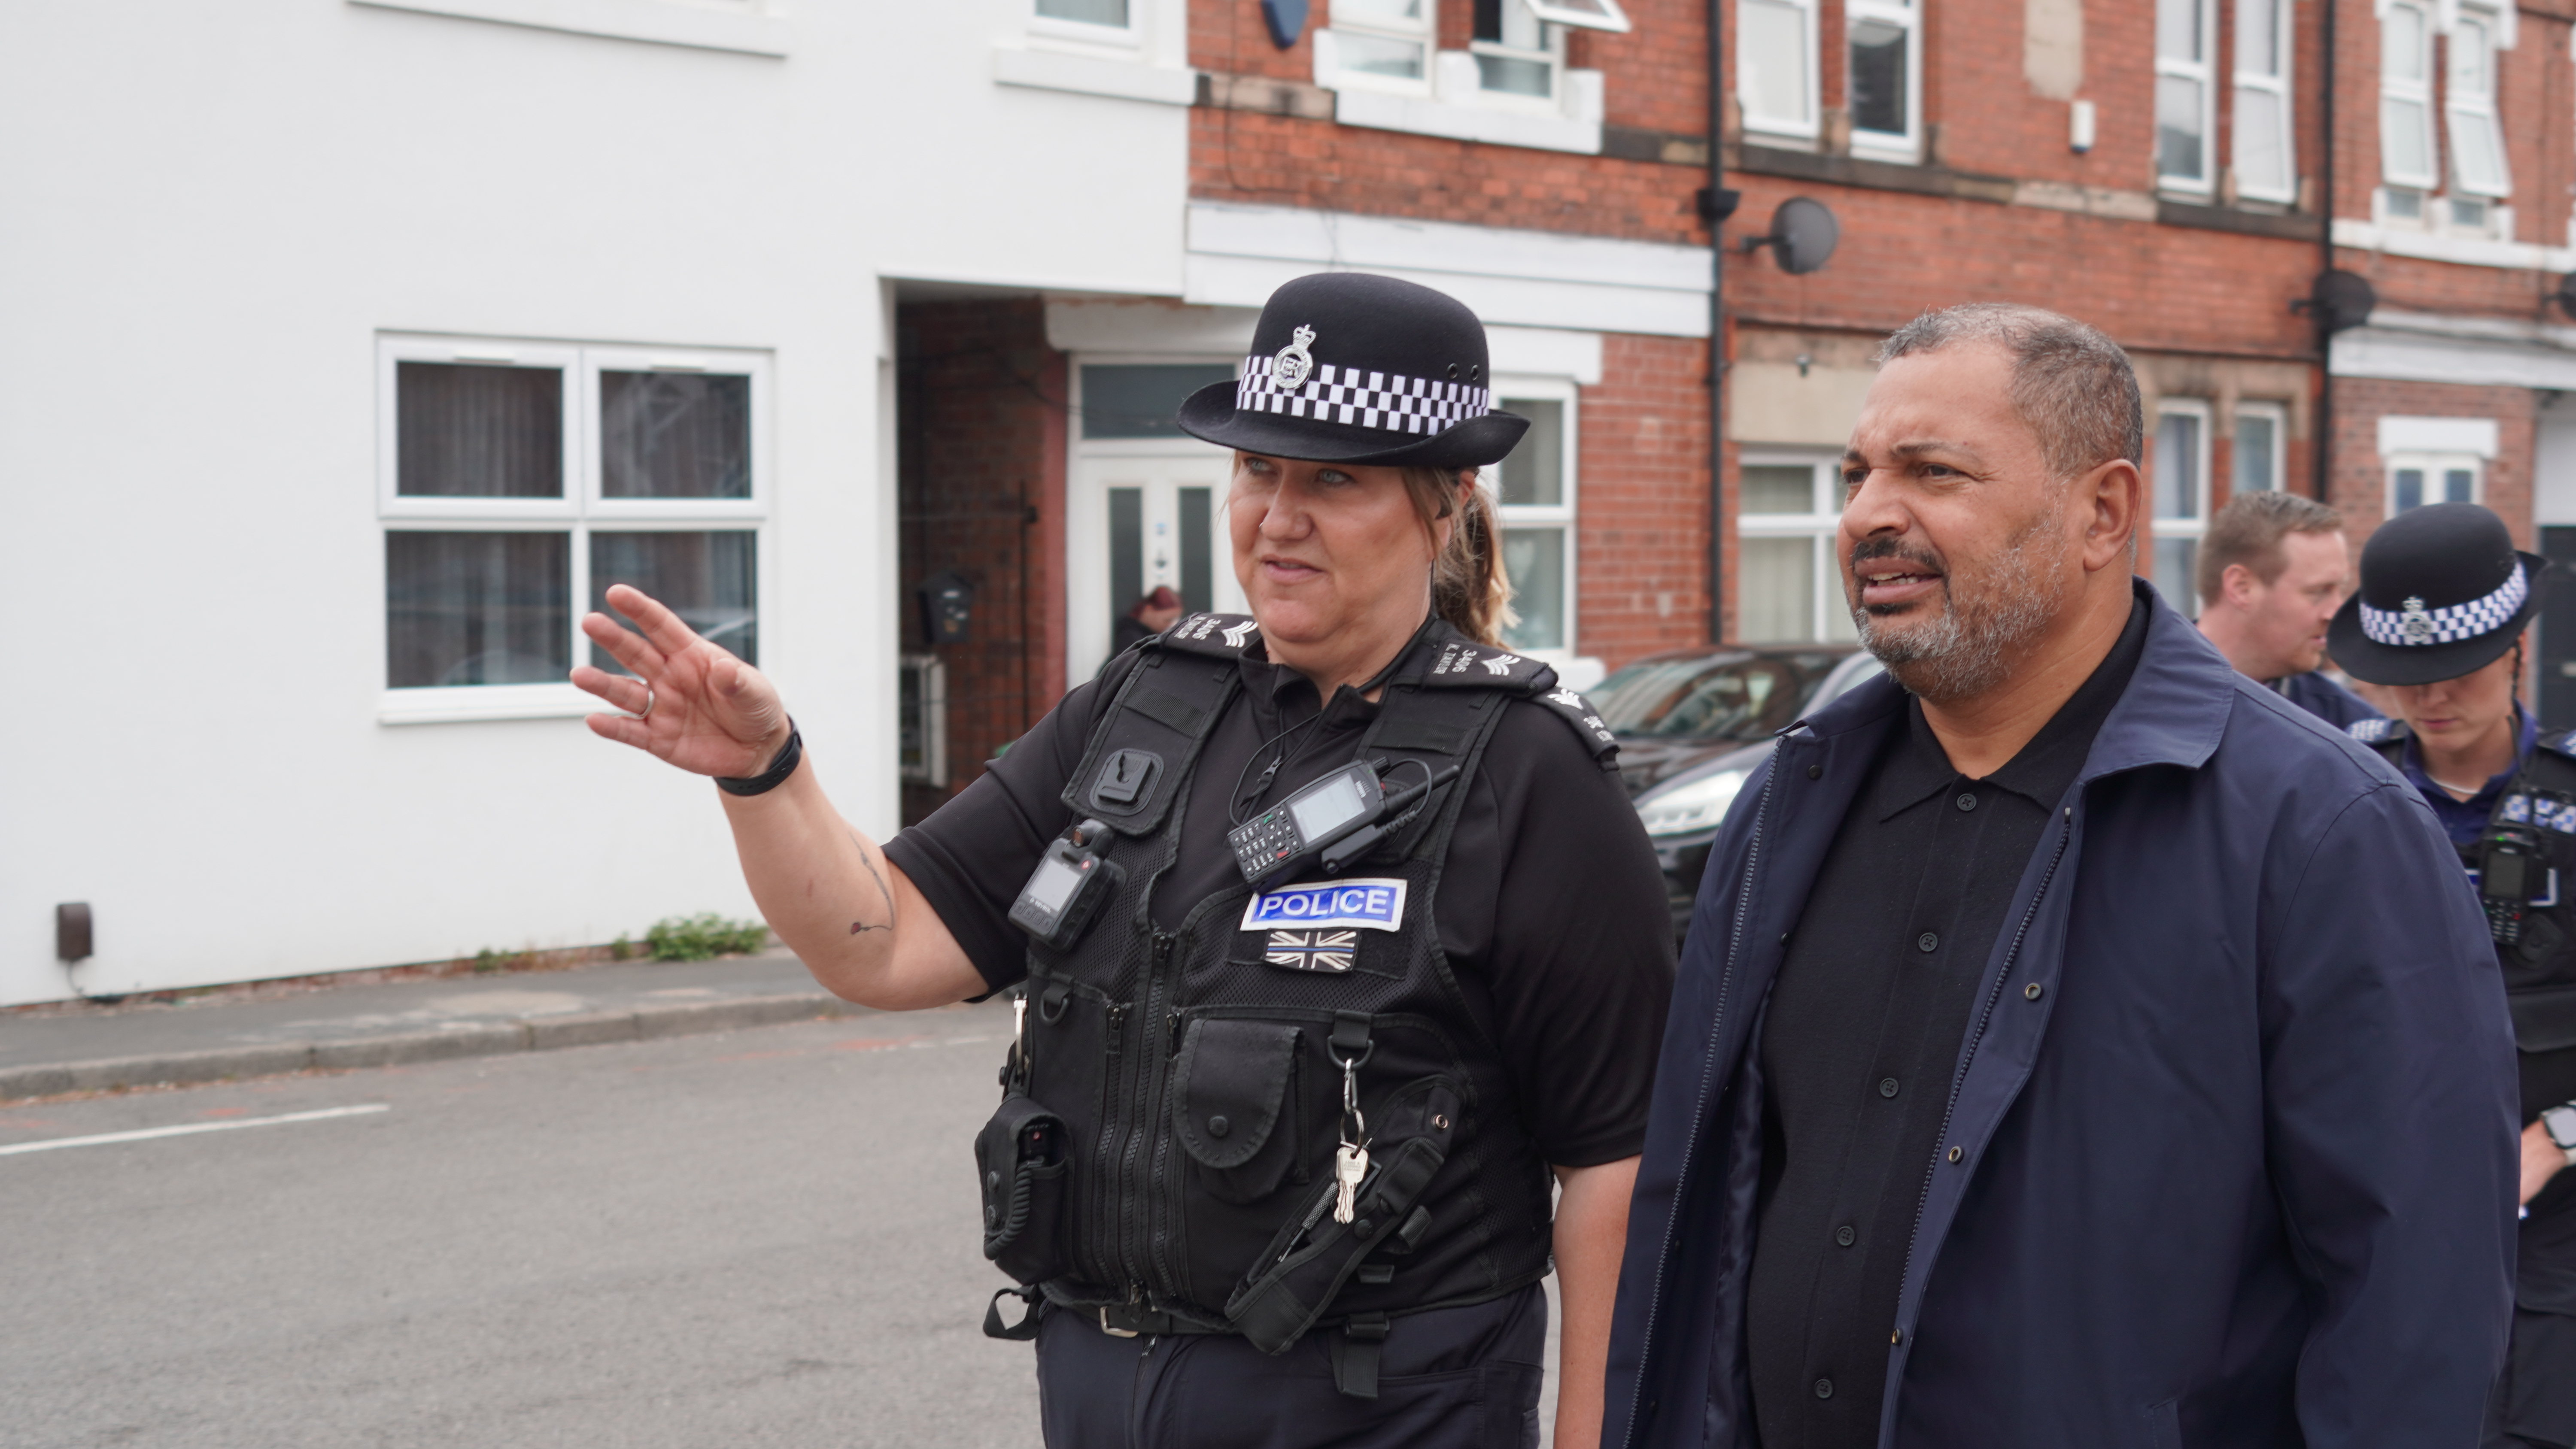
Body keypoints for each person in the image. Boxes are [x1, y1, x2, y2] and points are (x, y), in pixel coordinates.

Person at [572, 271, 1674, 1449]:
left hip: (1379, 1405)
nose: (1278, 517)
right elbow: (882, 943)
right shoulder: (1147, 705)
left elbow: (1616, 1162)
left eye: (1335, 480)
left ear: (1445, 503)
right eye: (1258, 470)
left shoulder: (1531, 772)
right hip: (1101, 1387)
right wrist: (766, 772)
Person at [1600, 303, 2517, 1449]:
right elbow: (1690, 1231)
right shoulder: (1788, 803)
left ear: (2104, 512)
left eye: (1932, 471)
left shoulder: (2324, 831)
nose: (1870, 513)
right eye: (1857, 474)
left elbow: (2414, 1309)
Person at [2327, 502, 2576, 1449]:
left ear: (2517, 648)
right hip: (2370, 1216)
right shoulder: (2334, 789)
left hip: (2550, 1233)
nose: (2430, 697)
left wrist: (2556, 1139)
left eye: (2457, 669)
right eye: (2406, 675)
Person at [2194, 489, 2381, 727]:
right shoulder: (2150, 694)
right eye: (2319, 591)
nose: (2336, 612)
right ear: (2241, 588)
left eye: (2340, 589)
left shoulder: (2350, 729)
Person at [1102, 585, 1184, 676]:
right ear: (1149, 610)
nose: (1170, 625)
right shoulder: (1132, 638)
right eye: (1167, 620)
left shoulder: (1134, 633)